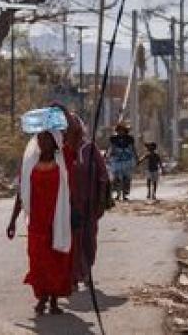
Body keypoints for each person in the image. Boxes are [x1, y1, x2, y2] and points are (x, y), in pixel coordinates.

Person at [6, 130, 72, 316]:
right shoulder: (29, 165)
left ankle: (53, 300)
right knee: (38, 259)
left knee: (56, 258)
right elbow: (21, 194)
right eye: (40, 138)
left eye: (46, 139)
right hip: (37, 222)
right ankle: (42, 297)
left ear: (54, 141)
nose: (42, 142)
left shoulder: (63, 163)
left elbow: (69, 191)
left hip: (58, 219)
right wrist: (12, 221)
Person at [58, 109, 110, 288]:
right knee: (71, 240)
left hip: (90, 203)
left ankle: (86, 270)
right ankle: (73, 276)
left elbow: (103, 175)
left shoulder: (90, 148)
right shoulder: (60, 151)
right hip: (68, 205)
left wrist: (102, 200)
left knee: (88, 239)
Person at [107, 122, 137, 201]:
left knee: (126, 178)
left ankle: (125, 194)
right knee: (116, 178)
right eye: (119, 130)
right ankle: (117, 193)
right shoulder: (113, 139)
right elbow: (111, 148)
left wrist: (136, 157)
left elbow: (133, 148)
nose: (121, 132)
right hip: (116, 159)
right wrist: (108, 155)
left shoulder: (130, 139)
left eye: (122, 130)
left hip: (127, 159)